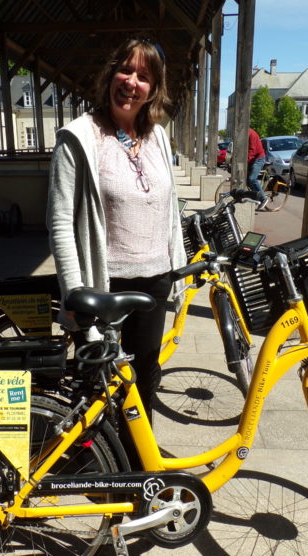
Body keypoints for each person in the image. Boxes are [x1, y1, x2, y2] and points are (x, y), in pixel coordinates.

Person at [46, 37, 186, 421]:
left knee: (143, 382)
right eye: (125, 70)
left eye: (143, 76)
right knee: (98, 385)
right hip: (104, 284)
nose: (131, 82)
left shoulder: (157, 135)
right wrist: (74, 293)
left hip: (155, 280)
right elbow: (60, 221)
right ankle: (93, 453)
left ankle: (136, 454)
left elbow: (169, 207)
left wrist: (178, 265)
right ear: (110, 75)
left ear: (153, 89)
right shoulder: (80, 137)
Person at [247, 127, 269, 209]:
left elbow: (252, 150)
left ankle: (263, 198)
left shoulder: (251, 134)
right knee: (247, 180)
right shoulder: (244, 134)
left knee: (252, 179)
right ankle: (256, 196)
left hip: (259, 158)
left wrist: (245, 161)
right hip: (253, 158)